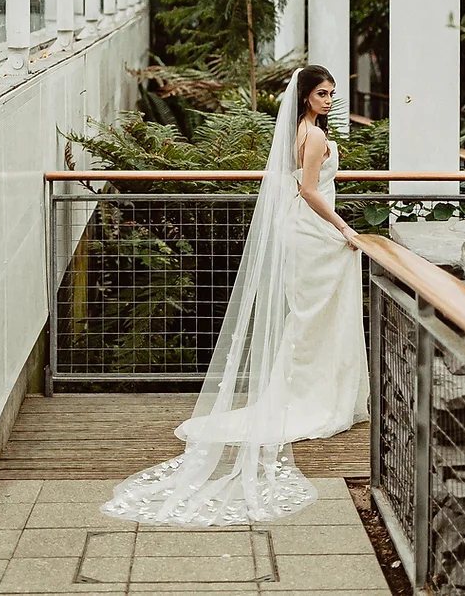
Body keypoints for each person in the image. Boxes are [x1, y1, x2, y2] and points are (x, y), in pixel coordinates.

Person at [101, 66, 369, 527]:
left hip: (302, 229)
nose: (328, 100)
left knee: (310, 316)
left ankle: (314, 391)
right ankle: (315, 396)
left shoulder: (301, 131)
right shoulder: (314, 136)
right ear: (305, 97)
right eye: (322, 93)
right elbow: (309, 190)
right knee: (312, 316)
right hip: (312, 230)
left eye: (331, 94)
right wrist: (344, 227)